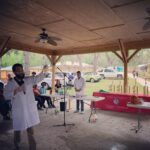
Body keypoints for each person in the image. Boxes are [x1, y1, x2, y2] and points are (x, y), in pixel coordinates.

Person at [4, 63, 48, 150]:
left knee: (30, 129)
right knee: (18, 128)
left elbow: (37, 78)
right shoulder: (10, 83)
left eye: (22, 70)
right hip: (19, 110)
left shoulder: (28, 79)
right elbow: (6, 95)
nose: (21, 71)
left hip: (28, 109)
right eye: (19, 70)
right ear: (14, 72)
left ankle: (33, 147)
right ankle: (17, 144)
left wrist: (44, 71)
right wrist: (15, 91)